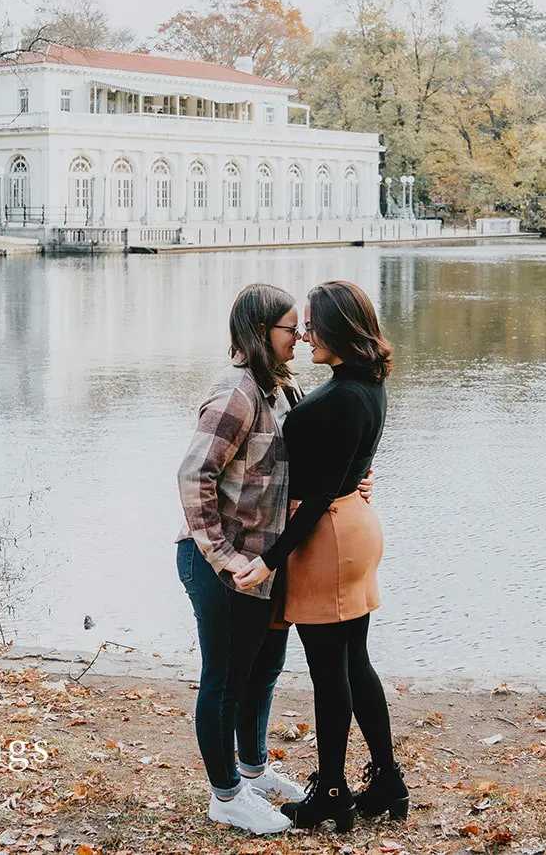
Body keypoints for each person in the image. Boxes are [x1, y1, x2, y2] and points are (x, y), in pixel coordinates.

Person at [235, 280, 406, 831]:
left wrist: (271, 559)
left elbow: (312, 501)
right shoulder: (365, 383)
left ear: (335, 329)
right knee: (354, 660)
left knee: (330, 669)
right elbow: (347, 466)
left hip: (326, 534)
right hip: (353, 525)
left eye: (312, 324)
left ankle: (333, 790)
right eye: (299, 325)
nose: (305, 334)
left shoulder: (336, 399)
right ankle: (386, 779)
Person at [175, 283, 311, 834]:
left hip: (265, 562)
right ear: (261, 333)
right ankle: (226, 795)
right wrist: (223, 556)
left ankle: (253, 774)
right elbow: (193, 474)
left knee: (264, 671)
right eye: (290, 328)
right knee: (225, 680)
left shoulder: (281, 388)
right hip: (221, 565)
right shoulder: (235, 394)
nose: (300, 336)